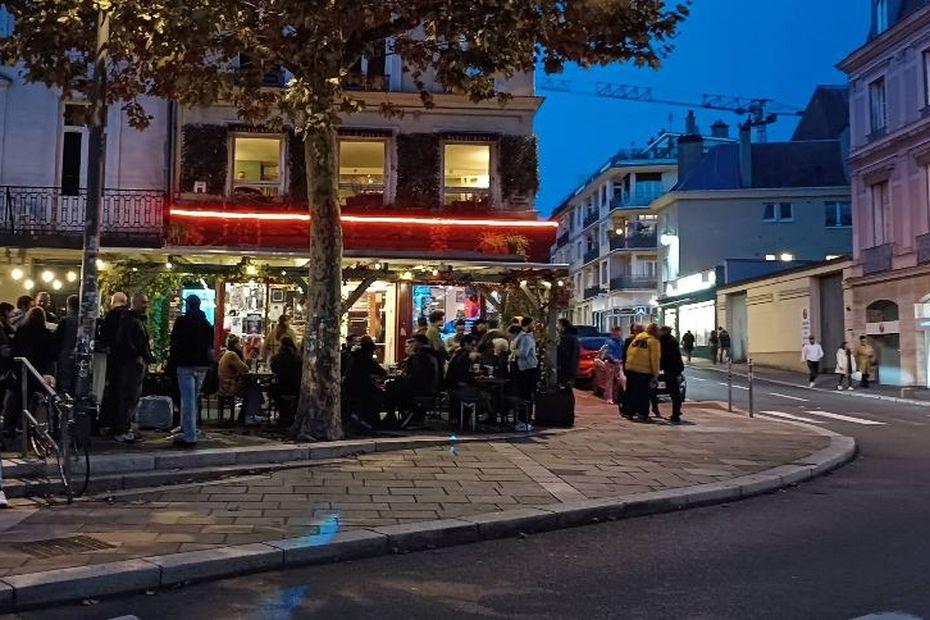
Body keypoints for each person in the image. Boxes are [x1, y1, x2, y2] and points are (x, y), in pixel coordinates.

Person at [168, 294, 215, 447]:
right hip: (202, 365)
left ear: (188, 305)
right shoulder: (207, 324)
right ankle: (188, 428)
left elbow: (174, 343)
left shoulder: (182, 322)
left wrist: (172, 362)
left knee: (187, 399)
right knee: (192, 398)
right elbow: (210, 346)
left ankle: (189, 435)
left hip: (185, 364)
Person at [111, 293, 153, 443]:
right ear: (134, 303)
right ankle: (122, 428)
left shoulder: (133, 320)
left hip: (134, 362)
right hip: (131, 364)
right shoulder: (131, 320)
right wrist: (141, 354)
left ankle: (125, 427)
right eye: (143, 302)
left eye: (146, 302)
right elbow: (128, 342)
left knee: (131, 397)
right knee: (128, 396)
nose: (145, 305)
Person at [387, 334, 439, 428]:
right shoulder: (432, 355)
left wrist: (401, 378)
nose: (412, 345)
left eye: (413, 342)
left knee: (391, 386)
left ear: (419, 343)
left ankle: (392, 415)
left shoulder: (420, 357)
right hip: (431, 387)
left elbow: (416, 376)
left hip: (422, 388)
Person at [98, 292, 129, 433]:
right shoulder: (129, 316)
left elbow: (105, 336)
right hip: (127, 360)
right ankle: (122, 423)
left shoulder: (111, 317)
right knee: (124, 392)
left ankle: (110, 421)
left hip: (113, 358)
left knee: (113, 390)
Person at [343, 336, 387, 428]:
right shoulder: (366, 359)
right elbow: (382, 372)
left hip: (349, 388)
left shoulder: (353, 356)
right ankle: (374, 421)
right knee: (381, 395)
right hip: (362, 388)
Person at [623, 323, 661, 422]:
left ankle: (630, 412)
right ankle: (643, 414)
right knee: (644, 394)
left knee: (632, 392)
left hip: (631, 369)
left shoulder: (638, 338)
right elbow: (655, 359)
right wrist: (655, 374)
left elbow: (628, 352)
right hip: (643, 371)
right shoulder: (653, 341)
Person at [511, 317, 538, 431]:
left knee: (525, 395)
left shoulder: (525, 338)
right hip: (526, 368)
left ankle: (524, 420)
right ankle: (524, 419)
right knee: (525, 395)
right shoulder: (525, 337)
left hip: (527, 369)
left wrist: (512, 351)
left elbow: (523, 353)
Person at [270, 336, 302, 428]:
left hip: (280, 387)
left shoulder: (276, 359)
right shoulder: (297, 359)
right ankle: (289, 415)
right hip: (295, 388)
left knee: (272, 390)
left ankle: (283, 415)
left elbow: (273, 370)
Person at [53, 295, 80, 394]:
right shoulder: (86, 321)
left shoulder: (65, 320)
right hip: (80, 357)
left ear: (69, 306)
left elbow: (57, 339)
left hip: (66, 356)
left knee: (64, 387)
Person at [658, 326, 685, 423]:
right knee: (675, 392)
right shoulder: (672, 340)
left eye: (660, 331)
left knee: (674, 392)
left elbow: (664, 356)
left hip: (670, 369)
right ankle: (676, 412)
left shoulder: (665, 341)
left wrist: (659, 366)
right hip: (675, 368)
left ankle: (676, 414)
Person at [556, 318, 580, 389]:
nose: (557, 327)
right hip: (570, 367)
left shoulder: (566, 338)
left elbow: (564, 354)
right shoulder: (573, 337)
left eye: (559, 325)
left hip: (566, 368)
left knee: (565, 388)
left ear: (563, 327)